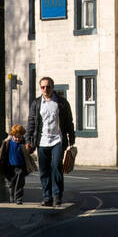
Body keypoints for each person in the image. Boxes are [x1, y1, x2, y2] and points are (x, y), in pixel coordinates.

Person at [34, 76, 75, 207]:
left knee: (56, 166)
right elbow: (31, 122)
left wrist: (71, 138)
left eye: (48, 87)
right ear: (40, 88)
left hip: (58, 140)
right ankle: (47, 197)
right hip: (42, 141)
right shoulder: (36, 103)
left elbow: (69, 121)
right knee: (44, 170)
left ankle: (57, 195)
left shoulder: (61, 102)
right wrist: (29, 139)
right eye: (43, 87)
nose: (45, 89)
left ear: (53, 87)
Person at [0, 124, 35, 204]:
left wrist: (29, 148)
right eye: (15, 137)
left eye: (19, 137)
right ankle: (12, 197)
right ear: (12, 135)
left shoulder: (23, 143)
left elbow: (29, 151)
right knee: (11, 183)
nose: (17, 139)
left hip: (20, 166)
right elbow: (0, 154)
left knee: (20, 183)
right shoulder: (7, 143)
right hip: (9, 166)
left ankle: (18, 198)